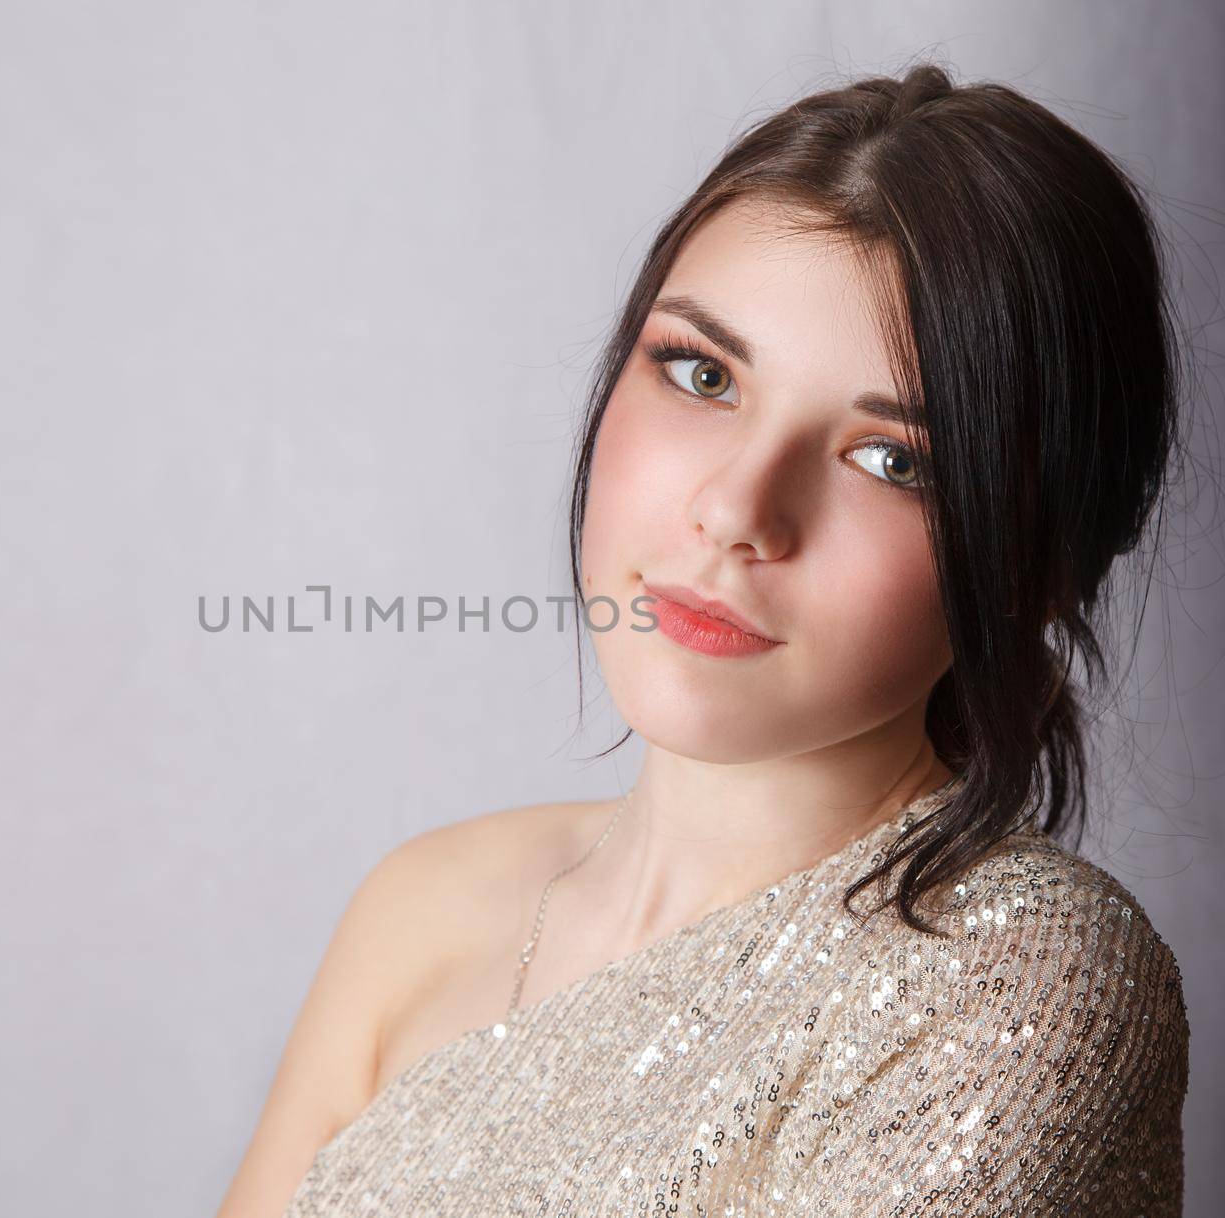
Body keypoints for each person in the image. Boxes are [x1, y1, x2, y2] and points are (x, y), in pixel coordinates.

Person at [217, 62, 1192, 1216]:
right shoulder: (427, 900)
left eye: (895, 461)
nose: (736, 510)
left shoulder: (1028, 984)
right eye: (702, 374)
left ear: (1046, 561)